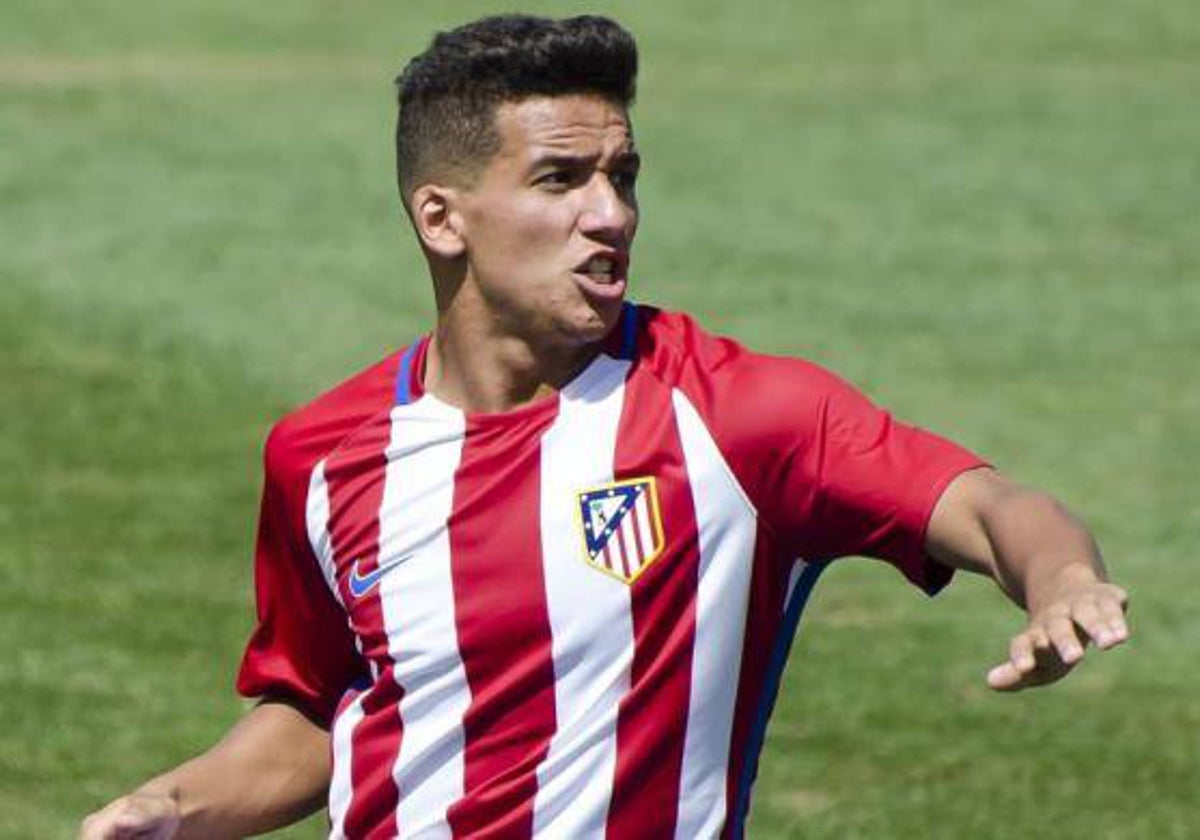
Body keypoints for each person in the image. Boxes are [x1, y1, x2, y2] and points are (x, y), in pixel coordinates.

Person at [80, 14, 1130, 840]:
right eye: (560, 179)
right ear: (440, 216)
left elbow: (989, 504)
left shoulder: (734, 416)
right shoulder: (320, 455)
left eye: (621, 176)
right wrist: (177, 811)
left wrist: (1061, 582)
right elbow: (323, 712)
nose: (611, 214)